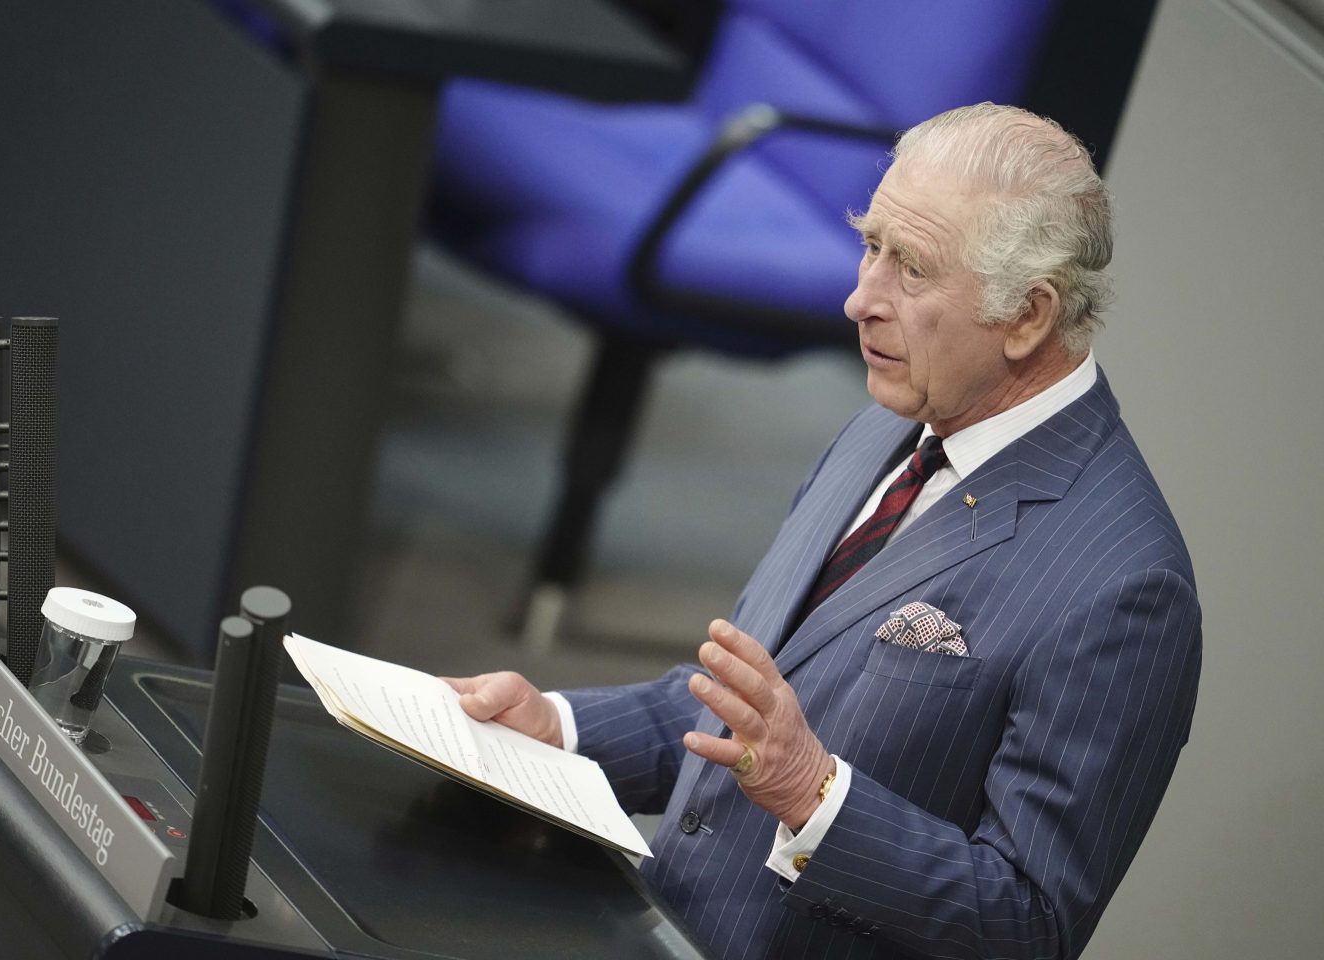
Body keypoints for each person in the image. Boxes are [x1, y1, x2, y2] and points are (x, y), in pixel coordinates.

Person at [444, 103, 1202, 960]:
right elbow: (751, 713)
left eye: (911, 269)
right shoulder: (889, 423)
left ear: (1028, 315)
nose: (858, 300)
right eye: (870, 244)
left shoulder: (1126, 590)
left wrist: (815, 794)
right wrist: (557, 727)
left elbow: (1029, 926)